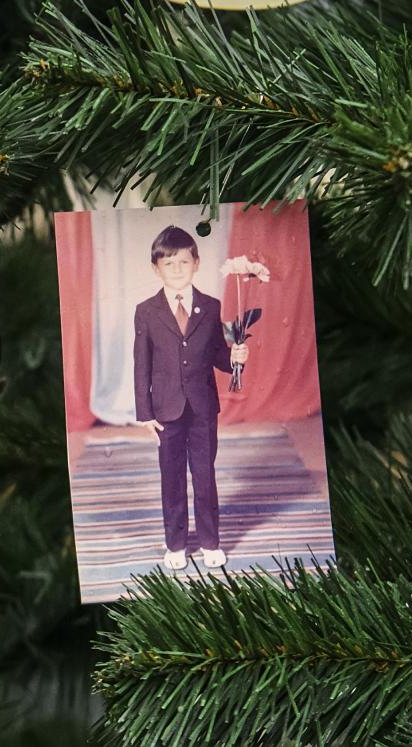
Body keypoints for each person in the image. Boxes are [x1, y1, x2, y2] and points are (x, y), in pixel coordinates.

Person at [131, 226, 248, 572]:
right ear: (156, 269)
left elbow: (217, 355)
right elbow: (142, 364)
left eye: (184, 261)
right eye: (169, 263)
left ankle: (211, 542)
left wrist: (236, 359)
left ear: (196, 263)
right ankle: (177, 544)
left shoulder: (210, 307)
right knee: (172, 478)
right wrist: (144, 412)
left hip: (202, 408)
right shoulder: (146, 311)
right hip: (165, 410)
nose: (177, 269)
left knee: (204, 474)